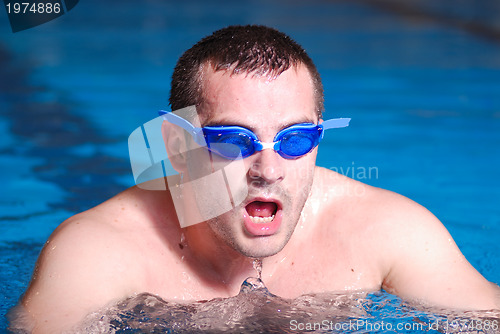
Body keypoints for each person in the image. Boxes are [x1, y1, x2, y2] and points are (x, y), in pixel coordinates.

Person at [16, 25, 499, 333]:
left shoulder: (385, 232)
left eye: (294, 140)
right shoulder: (101, 250)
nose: (268, 171)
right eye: (232, 140)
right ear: (177, 146)